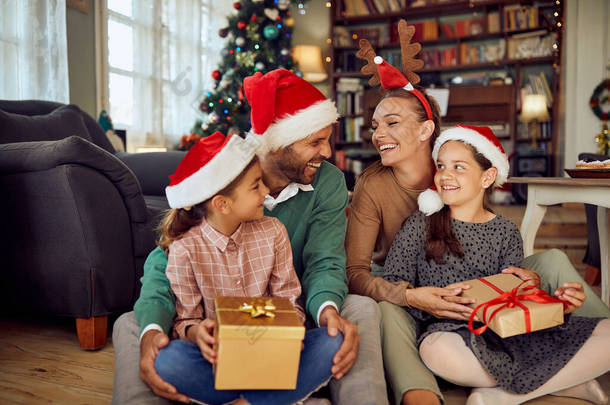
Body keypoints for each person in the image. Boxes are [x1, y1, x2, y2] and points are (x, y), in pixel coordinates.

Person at [345, 43, 610, 405]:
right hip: (415, 288)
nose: (378, 135)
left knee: (552, 263)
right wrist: (409, 295)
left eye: (391, 123)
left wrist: (544, 296)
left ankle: (575, 353)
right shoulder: (376, 186)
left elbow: (506, 283)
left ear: (426, 132)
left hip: (483, 292)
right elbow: (358, 271)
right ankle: (420, 392)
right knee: (391, 309)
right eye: (375, 126)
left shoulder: (456, 157)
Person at [112, 69, 387, 405]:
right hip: (211, 324)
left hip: (292, 310)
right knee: (132, 324)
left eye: (327, 139)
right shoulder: (226, 171)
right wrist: (155, 329)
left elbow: (325, 261)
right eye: (314, 141)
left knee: (359, 310)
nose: (327, 152)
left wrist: (326, 310)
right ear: (277, 143)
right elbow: (164, 260)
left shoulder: (326, 182)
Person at [381, 124, 610, 405]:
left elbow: (513, 301)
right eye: (440, 166)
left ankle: (502, 396)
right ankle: (567, 382)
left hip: (507, 336)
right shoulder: (420, 224)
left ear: (487, 176)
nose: (445, 175)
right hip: (453, 336)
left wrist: (554, 302)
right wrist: (419, 298)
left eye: (459, 167)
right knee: (435, 351)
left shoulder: (505, 231)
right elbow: (391, 280)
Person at [150, 130, 342, 404]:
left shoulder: (273, 231)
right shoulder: (185, 249)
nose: (266, 193)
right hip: (218, 358)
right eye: (256, 186)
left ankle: (244, 400)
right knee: (169, 360)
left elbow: (289, 300)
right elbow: (186, 320)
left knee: (334, 341)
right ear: (223, 204)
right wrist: (198, 334)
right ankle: (267, 398)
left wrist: (290, 333)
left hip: (273, 354)